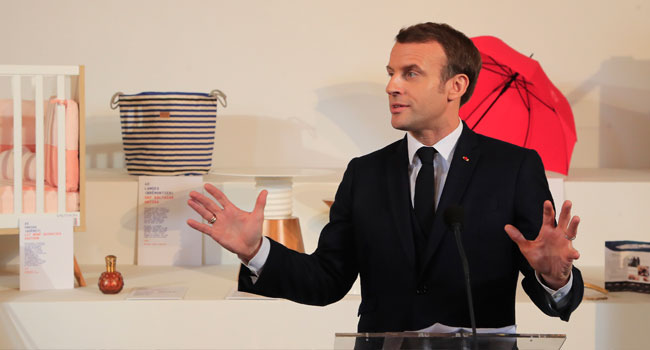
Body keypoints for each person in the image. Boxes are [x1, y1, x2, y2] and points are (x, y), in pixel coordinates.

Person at [187, 22, 583, 332]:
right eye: (391, 73)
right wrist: (255, 251)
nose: (392, 86)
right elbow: (326, 280)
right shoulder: (365, 173)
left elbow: (549, 287)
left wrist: (554, 276)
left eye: (411, 73)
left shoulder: (513, 167)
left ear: (456, 86)